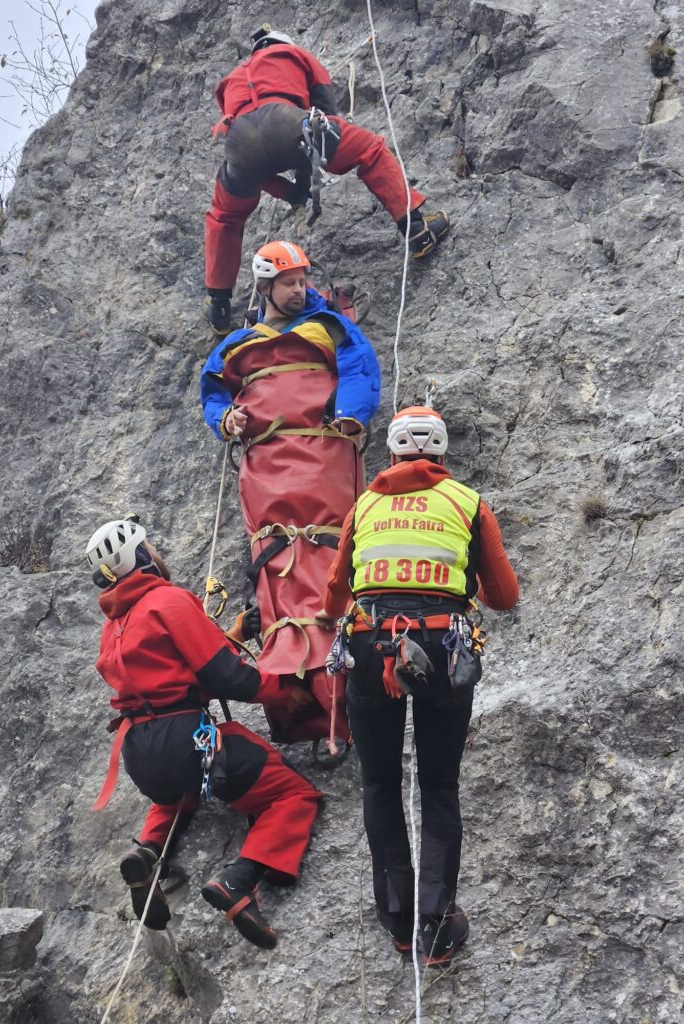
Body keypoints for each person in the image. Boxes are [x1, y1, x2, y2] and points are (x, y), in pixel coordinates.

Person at [323, 407, 519, 963]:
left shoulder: (363, 507)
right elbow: (503, 596)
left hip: (368, 646)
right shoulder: (467, 502)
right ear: (443, 457)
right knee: (437, 787)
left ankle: (397, 920)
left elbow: (333, 598)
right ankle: (435, 926)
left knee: (381, 785)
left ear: (390, 456)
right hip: (440, 649)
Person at [86, 517, 322, 949]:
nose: (157, 551)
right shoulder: (168, 601)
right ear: (140, 557)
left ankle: (147, 853)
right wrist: (282, 692)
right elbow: (224, 677)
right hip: (185, 740)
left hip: (140, 752)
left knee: (175, 795)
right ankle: (240, 878)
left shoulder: (113, 626)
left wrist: (228, 635)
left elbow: (174, 669)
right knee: (292, 795)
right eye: (150, 545)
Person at [200, 240, 379, 755]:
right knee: (276, 567)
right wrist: (225, 420)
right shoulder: (236, 344)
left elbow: (360, 371)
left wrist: (350, 415)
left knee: (325, 557)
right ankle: (295, 701)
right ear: (265, 287)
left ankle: (335, 701)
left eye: (303, 281)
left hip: (322, 458)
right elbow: (213, 391)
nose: (300, 290)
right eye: (289, 283)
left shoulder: (332, 328)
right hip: (266, 469)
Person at [203, 25, 451, 334]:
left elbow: (256, 166)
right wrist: (319, 158)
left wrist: (291, 191)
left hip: (239, 142)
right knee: (370, 149)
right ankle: (415, 227)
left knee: (224, 217)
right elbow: (323, 105)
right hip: (286, 121)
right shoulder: (294, 54)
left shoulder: (231, 80)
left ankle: (219, 305)